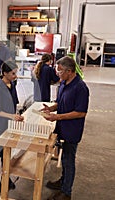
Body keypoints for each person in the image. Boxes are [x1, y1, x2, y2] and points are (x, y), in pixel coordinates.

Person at [40, 56, 89, 200]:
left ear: (69, 71)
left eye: (60, 71)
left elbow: (81, 112)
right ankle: (63, 181)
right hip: (61, 127)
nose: (57, 74)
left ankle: (67, 192)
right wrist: (51, 108)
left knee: (69, 159)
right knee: (65, 157)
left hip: (72, 130)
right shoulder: (63, 83)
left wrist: (57, 117)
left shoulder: (80, 88)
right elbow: (59, 102)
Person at [0, 60, 24, 191]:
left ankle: (5, 176)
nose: (15, 76)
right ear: (4, 73)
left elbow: (15, 103)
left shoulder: (12, 84)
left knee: (7, 152)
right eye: (13, 73)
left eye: (16, 73)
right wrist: (12, 116)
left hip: (9, 125)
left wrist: (17, 115)